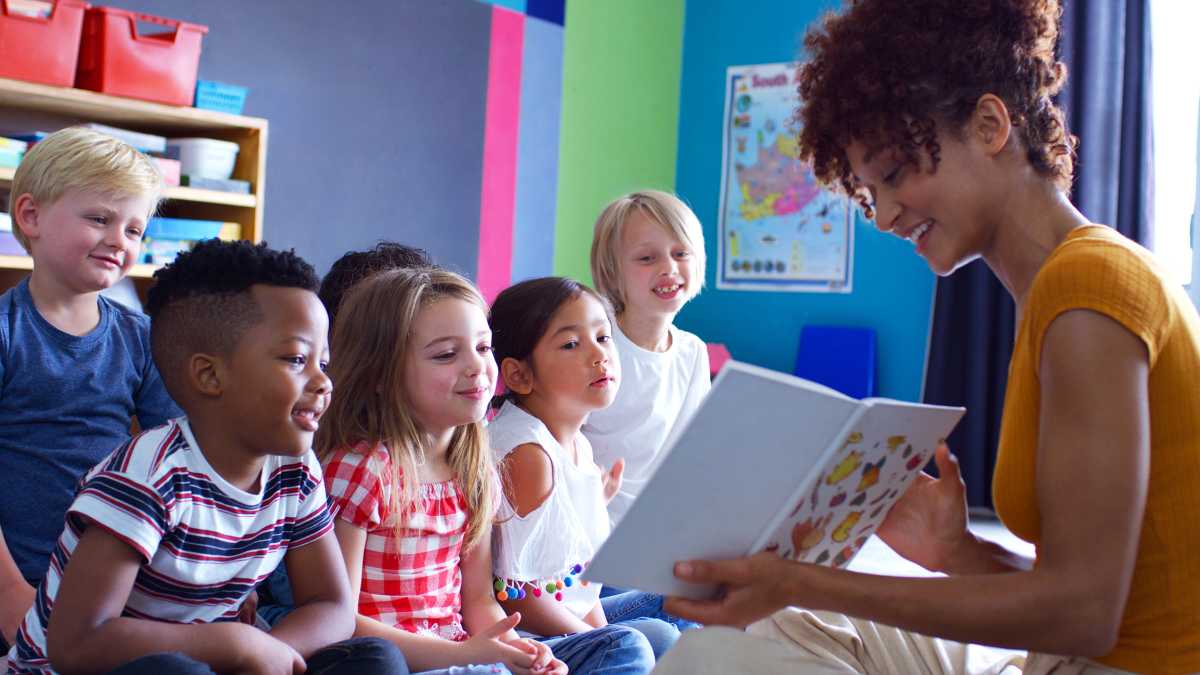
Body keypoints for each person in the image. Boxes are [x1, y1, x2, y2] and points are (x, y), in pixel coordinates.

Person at [655, 1, 1200, 673]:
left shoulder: (1086, 286)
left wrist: (802, 579)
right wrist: (955, 549)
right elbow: (1105, 585)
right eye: (867, 191)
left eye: (893, 175)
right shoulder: (1067, 286)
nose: (883, 214)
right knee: (757, 630)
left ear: (990, 125)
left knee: (729, 648)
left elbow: (1085, 613)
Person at [5, 239, 407, 674]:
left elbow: (331, 604)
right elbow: (77, 643)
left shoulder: (294, 471)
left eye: (322, 363)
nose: (323, 382)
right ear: (210, 375)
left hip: (220, 660)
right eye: (296, 359)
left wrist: (271, 651)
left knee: (374, 660)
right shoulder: (145, 479)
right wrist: (230, 643)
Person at [317, 268, 570, 675]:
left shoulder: (475, 467)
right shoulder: (360, 470)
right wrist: (466, 656)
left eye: (484, 347)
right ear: (381, 374)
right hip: (396, 659)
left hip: (463, 654)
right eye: (446, 355)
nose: (477, 367)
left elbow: (478, 601)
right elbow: (338, 618)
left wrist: (518, 651)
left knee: (627, 642)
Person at [0, 127, 181, 648]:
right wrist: (10, 592)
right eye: (99, 219)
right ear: (31, 217)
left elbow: (174, 461)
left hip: (115, 585)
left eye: (133, 230)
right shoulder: (8, 332)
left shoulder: (142, 338)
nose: (118, 240)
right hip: (21, 581)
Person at [487, 276, 680, 668]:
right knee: (633, 645)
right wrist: (598, 638)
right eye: (571, 344)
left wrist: (603, 632)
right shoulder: (527, 454)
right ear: (520, 375)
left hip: (569, 616)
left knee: (679, 605)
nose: (599, 355)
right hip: (530, 640)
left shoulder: (578, 443)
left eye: (604, 337)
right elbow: (514, 594)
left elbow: (584, 585)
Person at [583, 191, 710, 528]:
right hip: (593, 527)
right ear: (612, 270)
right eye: (646, 258)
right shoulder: (591, 342)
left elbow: (691, 451)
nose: (669, 268)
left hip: (657, 529)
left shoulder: (692, 352)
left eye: (681, 253)